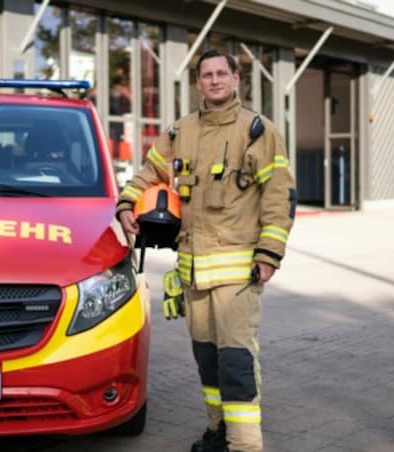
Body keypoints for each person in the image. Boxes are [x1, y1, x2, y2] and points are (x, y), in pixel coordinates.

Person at [116, 50, 296, 452]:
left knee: (235, 364)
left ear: (236, 79)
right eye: (206, 75)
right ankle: (218, 433)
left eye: (221, 74)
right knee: (208, 361)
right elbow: (150, 172)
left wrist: (268, 255)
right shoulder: (181, 131)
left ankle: (245, 445)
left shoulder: (257, 131)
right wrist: (127, 203)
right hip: (193, 275)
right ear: (198, 83)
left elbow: (279, 197)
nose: (214, 81)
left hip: (237, 275)